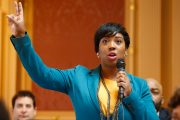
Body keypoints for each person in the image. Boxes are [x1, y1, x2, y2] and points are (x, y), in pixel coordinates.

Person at [7, 1, 159, 120]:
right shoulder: (78, 77)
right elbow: (42, 75)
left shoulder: (140, 86)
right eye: (105, 41)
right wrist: (21, 37)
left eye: (118, 42)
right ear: (97, 52)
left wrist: (131, 94)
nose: (112, 46)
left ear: (126, 51)